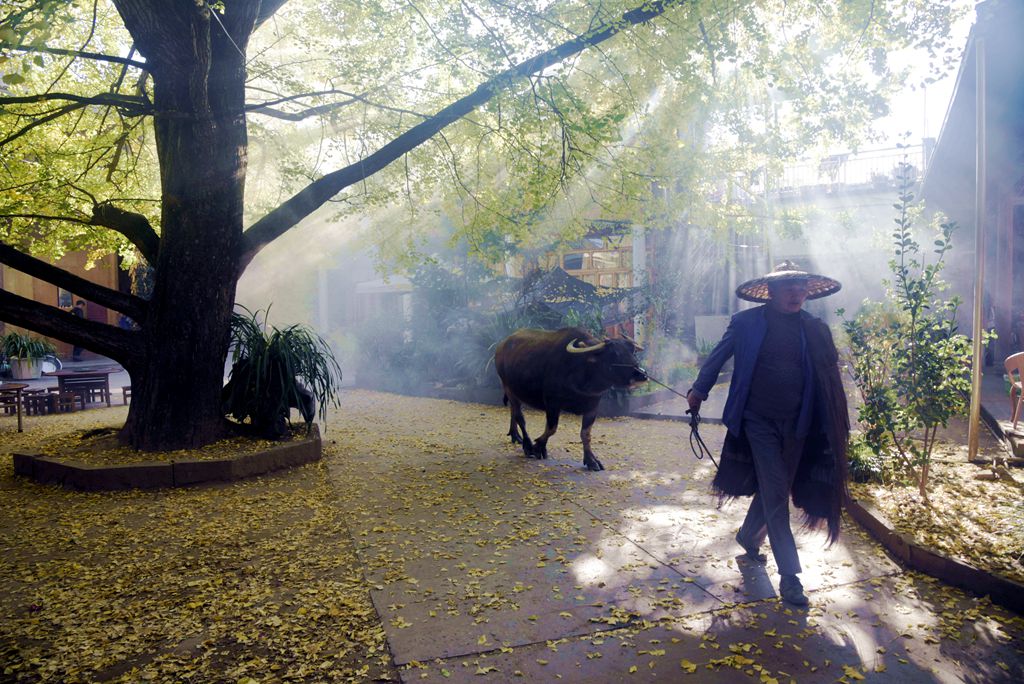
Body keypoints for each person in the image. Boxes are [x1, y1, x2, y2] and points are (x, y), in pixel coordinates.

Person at [686, 261, 849, 606]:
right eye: (788, 286)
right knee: (776, 492)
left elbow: (829, 377)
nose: (796, 293)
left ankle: (748, 536)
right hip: (757, 421)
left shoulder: (814, 328)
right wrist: (699, 390)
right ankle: (790, 577)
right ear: (770, 292)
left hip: (800, 423)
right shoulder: (745, 323)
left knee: (776, 488)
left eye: (801, 286)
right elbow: (717, 357)